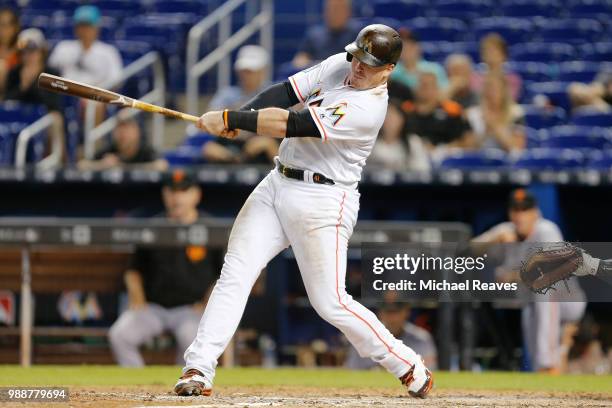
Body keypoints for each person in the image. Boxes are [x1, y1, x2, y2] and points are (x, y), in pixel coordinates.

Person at [173, 24, 434, 398]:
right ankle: (198, 367)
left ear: (389, 69)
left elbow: (291, 123)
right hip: (277, 182)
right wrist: (243, 116)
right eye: (358, 57)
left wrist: (231, 119)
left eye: (369, 63)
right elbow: (285, 92)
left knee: (331, 302)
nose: (358, 67)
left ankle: (406, 362)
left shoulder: (368, 108)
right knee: (235, 273)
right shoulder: (340, 64)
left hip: (324, 200)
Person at [108, 170, 219, 367]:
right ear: (164, 195)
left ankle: (181, 387)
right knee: (120, 335)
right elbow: (133, 270)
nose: (177, 197)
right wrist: (138, 298)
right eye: (172, 191)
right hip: (154, 309)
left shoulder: (211, 229)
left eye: (183, 191)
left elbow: (223, 276)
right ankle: (138, 386)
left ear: (196, 194)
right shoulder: (153, 228)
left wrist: (206, 304)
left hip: (191, 310)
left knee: (192, 342)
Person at [473, 189, 586, 374]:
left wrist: (511, 276)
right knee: (534, 352)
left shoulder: (546, 229)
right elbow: (467, 250)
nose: (520, 215)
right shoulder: (506, 231)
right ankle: (542, 372)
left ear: (535, 212)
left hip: (567, 302)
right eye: (516, 210)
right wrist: (493, 239)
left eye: (524, 210)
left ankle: (548, 363)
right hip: (533, 304)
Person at [204, 45, 279, 164]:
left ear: (262, 71)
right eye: (243, 71)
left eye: (250, 71)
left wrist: (267, 143)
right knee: (209, 149)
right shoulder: (227, 94)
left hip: (264, 149)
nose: (246, 75)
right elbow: (211, 120)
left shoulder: (274, 93)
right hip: (231, 145)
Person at [345, 302, 437, 370]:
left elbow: (429, 369)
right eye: (388, 311)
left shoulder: (421, 337)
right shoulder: (366, 335)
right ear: (380, 313)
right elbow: (352, 368)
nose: (393, 317)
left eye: (396, 312)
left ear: (406, 312)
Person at [48, 5, 122, 87]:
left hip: (95, 96)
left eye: (88, 26)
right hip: (66, 94)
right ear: (75, 28)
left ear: (97, 28)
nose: (84, 30)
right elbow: (50, 74)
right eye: (81, 26)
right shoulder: (63, 47)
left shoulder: (109, 52)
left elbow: (116, 81)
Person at [77, 114, 168, 171]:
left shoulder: (145, 150)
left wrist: (123, 167)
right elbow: (82, 165)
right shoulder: (110, 149)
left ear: (137, 132)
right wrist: (101, 165)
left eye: (126, 128)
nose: (122, 134)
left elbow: (161, 165)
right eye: (119, 128)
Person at [4, 28, 61, 112]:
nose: (27, 56)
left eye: (32, 51)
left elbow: (54, 104)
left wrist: (34, 82)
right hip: (19, 117)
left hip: (43, 118)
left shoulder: (52, 74)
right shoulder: (14, 72)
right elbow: (7, 101)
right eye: (24, 52)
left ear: (42, 52)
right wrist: (23, 86)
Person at [466, 73, 525, 151]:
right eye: (489, 88)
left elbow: (516, 149)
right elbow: (468, 149)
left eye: (496, 89)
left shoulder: (516, 112)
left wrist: (493, 125)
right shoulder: (472, 114)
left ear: (504, 91)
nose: (492, 93)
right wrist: (486, 132)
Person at [292, 0, 360, 68]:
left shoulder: (358, 34)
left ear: (349, 12)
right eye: (331, 9)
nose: (335, 13)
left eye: (339, 9)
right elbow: (300, 60)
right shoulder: (314, 34)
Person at [473, 34, 522, 101]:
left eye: (495, 51)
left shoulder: (513, 79)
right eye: (488, 51)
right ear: (482, 55)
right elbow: (477, 99)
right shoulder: (475, 78)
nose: (491, 55)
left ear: (504, 54)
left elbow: (509, 100)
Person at [0, 7, 20, 96]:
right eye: (1, 25)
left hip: (13, 95)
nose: (4, 30)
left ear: (15, 28)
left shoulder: (23, 52)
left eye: (7, 25)